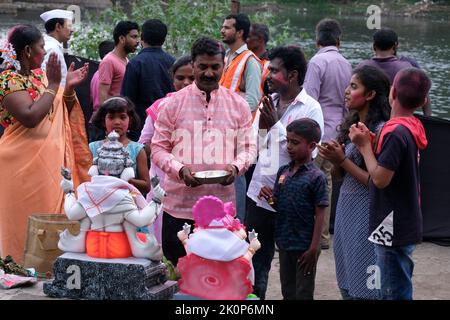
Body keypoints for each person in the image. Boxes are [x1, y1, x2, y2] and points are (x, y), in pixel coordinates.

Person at [151, 37, 256, 266]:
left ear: (224, 66)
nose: (209, 73)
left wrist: (236, 166)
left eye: (215, 67)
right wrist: (180, 170)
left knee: (218, 276)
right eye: (203, 67)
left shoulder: (238, 105)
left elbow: (249, 148)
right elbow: (158, 149)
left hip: (222, 211)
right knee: (178, 275)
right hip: (179, 209)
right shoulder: (172, 104)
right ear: (194, 65)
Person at [0, 24, 91, 262]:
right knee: (23, 218)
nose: (45, 52)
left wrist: (67, 89)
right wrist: (53, 85)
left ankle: (50, 266)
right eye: (42, 47)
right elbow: (30, 117)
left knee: (53, 214)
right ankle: (18, 265)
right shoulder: (8, 79)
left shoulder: (40, 76)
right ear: (28, 51)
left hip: (50, 163)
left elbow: (61, 111)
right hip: (20, 163)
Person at [246, 45, 324, 300]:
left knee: (293, 268)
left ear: (292, 75)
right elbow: (256, 145)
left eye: (274, 71)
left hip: (290, 200)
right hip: (260, 193)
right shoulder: (269, 103)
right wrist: (262, 127)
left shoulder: (311, 108)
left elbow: (309, 155)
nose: (268, 75)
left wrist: (276, 125)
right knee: (255, 262)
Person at [349, 67, 431, 300]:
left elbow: (380, 179)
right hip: (403, 219)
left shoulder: (396, 133)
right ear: (423, 100)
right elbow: (393, 163)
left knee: (392, 290)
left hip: (391, 223)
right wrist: (371, 139)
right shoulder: (411, 126)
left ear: (392, 92)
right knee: (397, 282)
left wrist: (364, 147)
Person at [318, 65, 391, 300]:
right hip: (347, 212)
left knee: (368, 286)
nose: (347, 91)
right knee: (347, 280)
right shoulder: (352, 127)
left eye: (353, 86)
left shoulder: (380, 131)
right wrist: (335, 157)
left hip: (369, 215)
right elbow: (341, 176)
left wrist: (343, 160)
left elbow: (376, 182)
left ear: (370, 95)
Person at [259, 118, 328, 300]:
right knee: (288, 291)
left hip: (305, 246)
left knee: (303, 293)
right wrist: (270, 198)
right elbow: (278, 205)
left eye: (295, 142)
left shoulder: (316, 177)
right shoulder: (284, 172)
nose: (289, 146)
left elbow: (320, 213)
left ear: (311, 145)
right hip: (284, 242)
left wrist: (314, 247)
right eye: (288, 140)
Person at [303, 18, 352, 250]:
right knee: (326, 184)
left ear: (317, 40)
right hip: (337, 132)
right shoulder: (346, 63)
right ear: (338, 40)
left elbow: (309, 100)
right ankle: (323, 237)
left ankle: (308, 235)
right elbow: (347, 102)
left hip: (317, 131)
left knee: (307, 181)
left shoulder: (316, 62)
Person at [138, 55, 194, 243]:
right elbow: (144, 144)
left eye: (191, 78)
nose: (186, 82)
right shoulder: (160, 108)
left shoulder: (210, 110)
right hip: (163, 181)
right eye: (180, 78)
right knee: (160, 235)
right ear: (172, 79)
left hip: (194, 183)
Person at [220, 13, 262, 224]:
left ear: (240, 32)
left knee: (235, 177)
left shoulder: (250, 61)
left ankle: (238, 227)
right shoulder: (228, 57)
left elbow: (253, 100)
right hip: (222, 130)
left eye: (227, 27)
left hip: (237, 132)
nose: (222, 30)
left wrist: (230, 117)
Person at [121, 19, 175, 141]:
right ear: (164, 39)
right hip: (168, 127)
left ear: (142, 37)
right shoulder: (173, 63)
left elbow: (126, 100)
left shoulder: (135, 64)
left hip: (140, 129)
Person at [90, 96, 149, 196]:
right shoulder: (93, 148)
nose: (117, 122)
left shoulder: (137, 150)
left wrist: (125, 180)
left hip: (127, 205)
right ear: (103, 120)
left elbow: (146, 186)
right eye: (111, 117)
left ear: (130, 120)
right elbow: (84, 178)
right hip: (97, 201)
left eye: (122, 117)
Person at [98, 21, 139, 107]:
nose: (137, 41)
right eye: (133, 37)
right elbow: (103, 95)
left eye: (137, 37)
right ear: (121, 39)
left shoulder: (127, 60)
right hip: (114, 114)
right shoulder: (108, 61)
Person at [88, 40, 115, 142]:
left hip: (94, 120)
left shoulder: (95, 74)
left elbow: (91, 99)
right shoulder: (108, 76)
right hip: (103, 122)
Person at [40, 9, 74, 87]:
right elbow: (45, 79)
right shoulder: (53, 49)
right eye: (69, 26)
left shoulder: (45, 44)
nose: (72, 30)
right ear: (58, 26)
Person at [246, 23, 270, 96]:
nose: (245, 40)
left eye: (248, 37)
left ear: (260, 39)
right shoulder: (246, 59)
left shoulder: (269, 65)